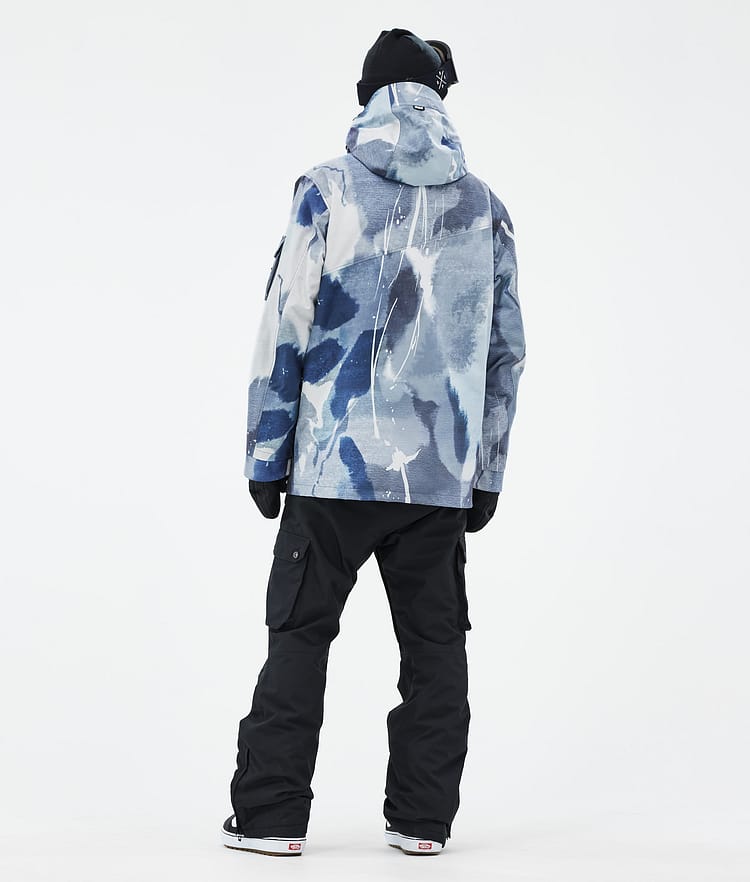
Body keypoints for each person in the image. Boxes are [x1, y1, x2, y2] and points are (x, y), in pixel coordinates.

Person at [221, 27, 526, 858]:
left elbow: (286, 323)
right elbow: (505, 352)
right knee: (435, 649)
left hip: (332, 468)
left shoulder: (326, 188)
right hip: (438, 476)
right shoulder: (484, 206)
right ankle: (423, 824)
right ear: (439, 99)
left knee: (299, 637)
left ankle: (271, 819)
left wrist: (265, 453)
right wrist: (486, 470)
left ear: (367, 98)